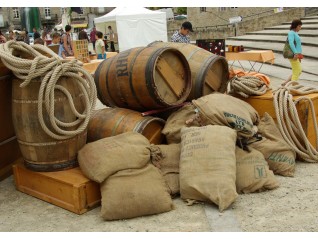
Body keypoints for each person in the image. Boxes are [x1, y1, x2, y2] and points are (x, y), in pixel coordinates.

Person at [282, 19, 303, 86]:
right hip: (294, 55)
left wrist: (299, 55)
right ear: (295, 26)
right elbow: (291, 43)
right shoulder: (291, 33)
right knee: (297, 71)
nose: (300, 27)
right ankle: (293, 87)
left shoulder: (294, 33)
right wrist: (296, 53)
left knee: (296, 71)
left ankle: (286, 83)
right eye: (299, 26)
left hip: (297, 54)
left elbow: (297, 45)